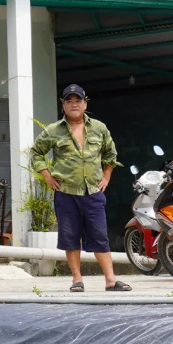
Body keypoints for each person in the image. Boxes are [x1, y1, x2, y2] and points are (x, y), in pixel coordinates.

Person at [30, 84, 131, 292]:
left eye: (78, 100)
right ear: (63, 105)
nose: (74, 104)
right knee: (70, 237)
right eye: (69, 101)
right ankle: (77, 279)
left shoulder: (99, 128)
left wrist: (106, 176)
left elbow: (111, 155)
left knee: (100, 236)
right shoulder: (53, 131)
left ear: (85, 104)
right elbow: (36, 153)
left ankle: (111, 280)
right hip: (66, 193)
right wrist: (47, 176)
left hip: (93, 192)